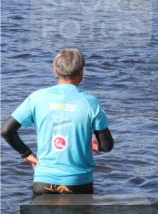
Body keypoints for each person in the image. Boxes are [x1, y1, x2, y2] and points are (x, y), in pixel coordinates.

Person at [1, 48, 113, 195]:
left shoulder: (37, 98)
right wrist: (97, 146)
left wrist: (28, 156)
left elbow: (6, 130)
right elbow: (107, 145)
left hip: (43, 181)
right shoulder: (91, 102)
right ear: (82, 73)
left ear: (55, 71)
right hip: (78, 182)